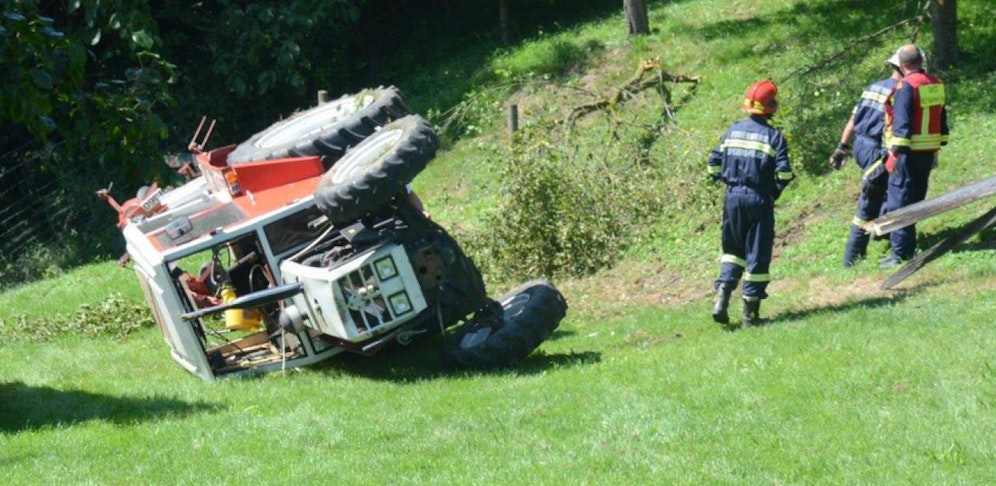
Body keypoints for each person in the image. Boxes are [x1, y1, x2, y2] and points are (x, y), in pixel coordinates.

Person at [708, 80, 795, 328]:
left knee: (732, 251)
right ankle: (750, 315)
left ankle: (723, 292)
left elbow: (713, 164)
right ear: (771, 106)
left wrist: (726, 181)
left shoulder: (732, 131)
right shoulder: (774, 137)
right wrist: (774, 191)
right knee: (757, 253)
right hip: (759, 198)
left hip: (732, 197)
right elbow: (784, 173)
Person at [830, 51, 906, 267]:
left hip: (860, 147)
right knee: (870, 201)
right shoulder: (899, 92)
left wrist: (842, 147)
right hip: (876, 151)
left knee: (886, 191)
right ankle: (851, 259)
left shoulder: (873, 87)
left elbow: (853, 120)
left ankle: (882, 231)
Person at [879, 44, 949, 268]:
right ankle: (904, 244)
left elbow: (902, 123)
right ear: (921, 61)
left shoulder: (906, 85)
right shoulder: (936, 83)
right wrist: (940, 141)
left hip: (908, 153)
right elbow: (941, 116)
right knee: (915, 197)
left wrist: (895, 154)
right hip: (927, 152)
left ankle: (900, 253)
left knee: (900, 201)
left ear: (902, 64)